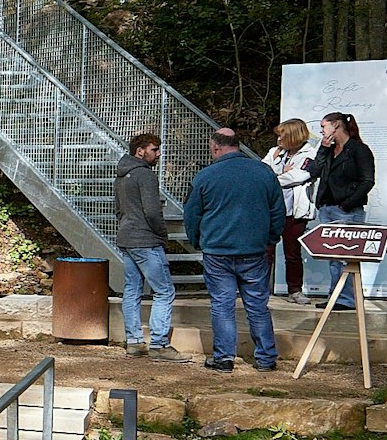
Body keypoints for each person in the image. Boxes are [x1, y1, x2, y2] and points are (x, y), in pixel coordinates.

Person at [184, 128, 285, 372]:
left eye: (211, 149)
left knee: (222, 305)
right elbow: (278, 211)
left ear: (216, 147)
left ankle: (224, 358)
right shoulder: (264, 172)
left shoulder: (205, 176)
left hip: (217, 251)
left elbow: (192, 214)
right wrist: (270, 238)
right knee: (258, 305)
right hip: (254, 250)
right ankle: (266, 358)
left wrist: (197, 241)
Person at [113, 133, 183, 360]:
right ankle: (160, 344)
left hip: (127, 237)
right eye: (155, 149)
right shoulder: (145, 175)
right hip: (146, 240)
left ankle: (134, 341)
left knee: (132, 290)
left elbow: (118, 210)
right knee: (164, 291)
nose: (159, 153)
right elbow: (152, 211)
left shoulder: (122, 175)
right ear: (140, 151)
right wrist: (162, 234)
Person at [307, 111, 377, 309]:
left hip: (346, 210)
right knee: (333, 257)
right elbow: (314, 171)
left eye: (323, 126)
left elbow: (368, 181)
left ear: (336, 125)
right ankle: (335, 296)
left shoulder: (358, 150)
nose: (321, 131)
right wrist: (322, 149)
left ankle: (346, 299)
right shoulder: (329, 149)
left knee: (345, 257)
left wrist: (347, 204)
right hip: (327, 208)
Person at [263, 119, 320, 304]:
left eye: (282, 135)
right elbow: (262, 173)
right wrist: (281, 174)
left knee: (293, 253)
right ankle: (260, 290)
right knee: (266, 251)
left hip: (294, 211)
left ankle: (295, 291)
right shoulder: (274, 152)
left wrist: (276, 176)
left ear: (293, 137)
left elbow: (300, 176)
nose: (279, 138)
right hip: (271, 210)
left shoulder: (310, 153)